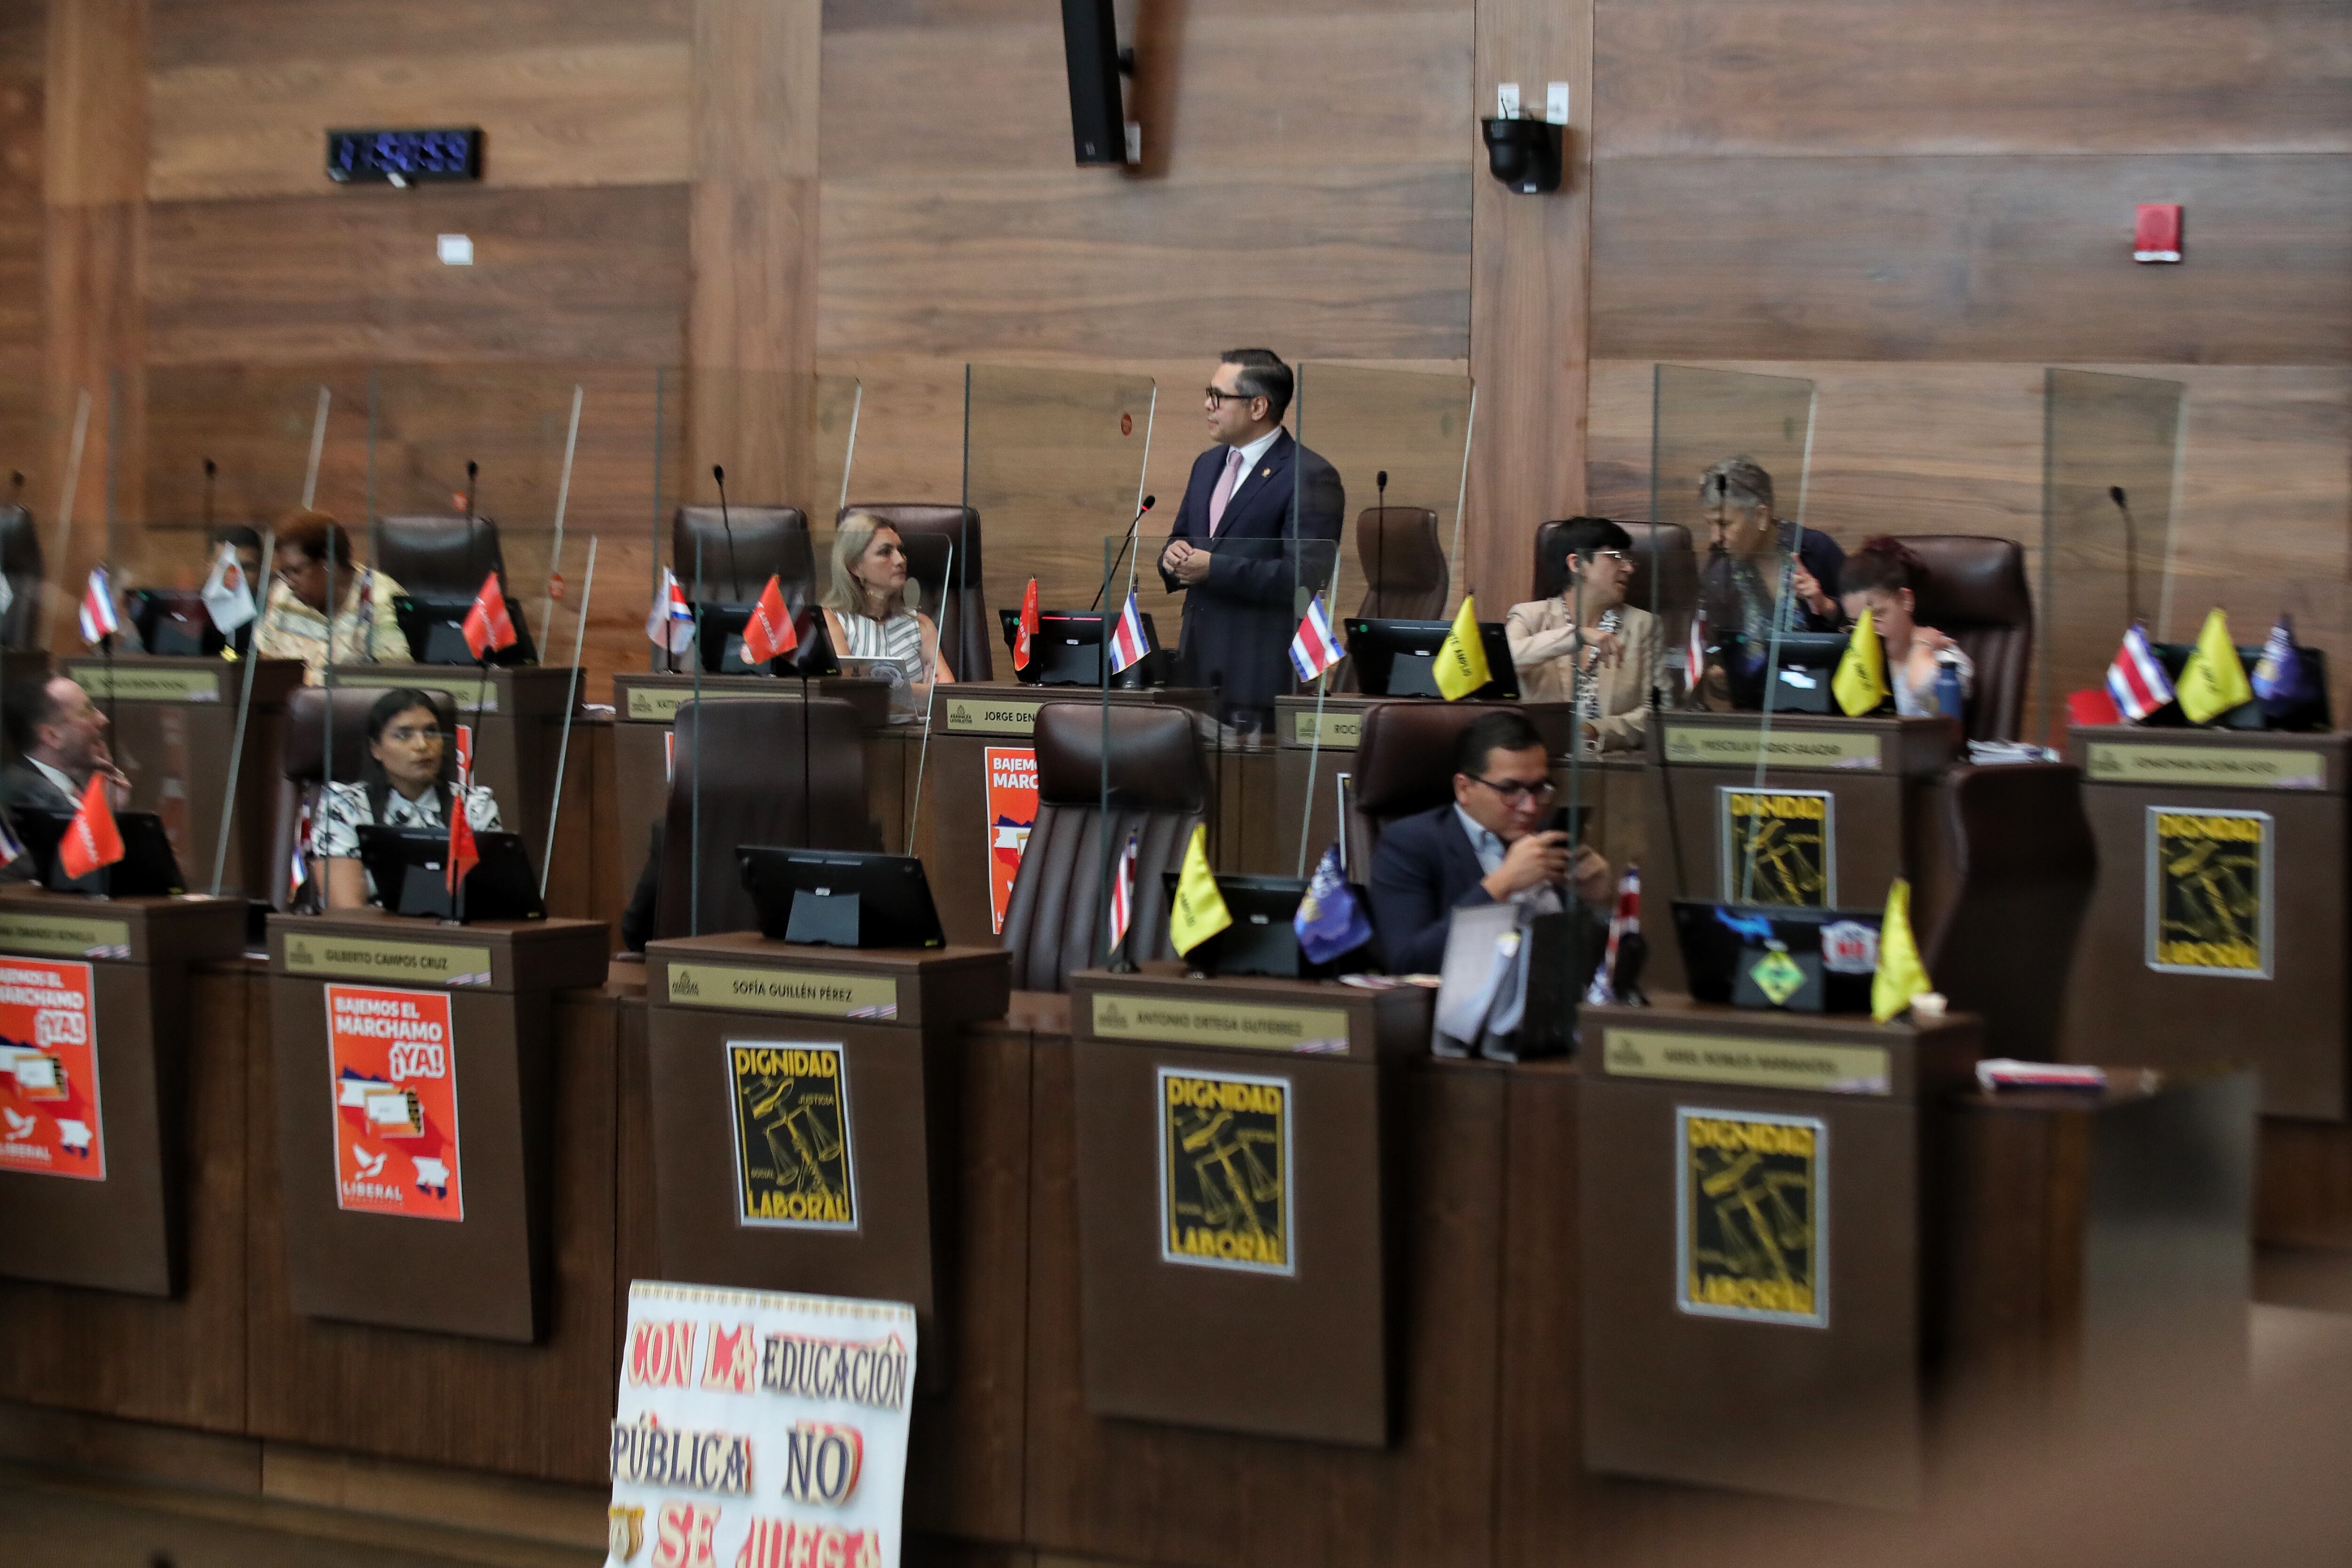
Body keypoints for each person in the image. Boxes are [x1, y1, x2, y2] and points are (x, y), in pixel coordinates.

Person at [1157, 349, 1345, 734]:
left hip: (1257, 677)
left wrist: (1214, 568)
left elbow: (1304, 577)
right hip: (1195, 674)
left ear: (1258, 406)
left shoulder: (1309, 474)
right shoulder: (1207, 464)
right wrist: (1171, 556)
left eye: (1218, 396)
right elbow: (1184, 536)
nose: (1207, 405)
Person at [1367, 709, 1614, 975]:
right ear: (1464, 788)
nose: (1530, 807)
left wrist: (1603, 904)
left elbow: (1601, 969)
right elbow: (1409, 963)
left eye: (1539, 788)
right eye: (1510, 790)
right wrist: (1501, 885)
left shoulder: (1548, 840)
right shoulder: (1410, 844)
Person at [314, 687, 501, 910]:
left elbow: (492, 901)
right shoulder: (346, 806)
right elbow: (345, 910)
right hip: (372, 940)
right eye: (404, 735)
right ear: (376, 749)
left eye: (431, 732)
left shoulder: (474, 805)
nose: (422, 746)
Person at [1506, 517, 1661, 753]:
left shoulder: (1644, 625)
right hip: (1540, 757)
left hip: (1614, 763)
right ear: (1577, 564)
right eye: (1615, 557)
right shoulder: (1529, 617)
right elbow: (1504, 663)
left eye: (1629, 560)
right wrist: (1576, 637)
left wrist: (1597, 730)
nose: (1629, 569)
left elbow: (1657, 712)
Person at [0, 674, 134, 885]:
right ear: (52, 737)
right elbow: (82, 876)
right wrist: (105, 814)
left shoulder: (69, 785)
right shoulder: (25, 793)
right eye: (87, 711)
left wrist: (105, 807)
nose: (102, 720)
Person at [252, 509, 408, 682]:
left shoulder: (378, 600)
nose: (289, 582)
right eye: (284, 573)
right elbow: (264, 672)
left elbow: (394, 683)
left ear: (328, 562)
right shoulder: (283, 597)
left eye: (296, 571)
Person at [820, 512, 954, 699]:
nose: (901, 560)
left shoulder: (921, 625)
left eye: (901, 550)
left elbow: (947, 697)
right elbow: (847, 695)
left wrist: (875, 690)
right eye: (885, 552)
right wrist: (923, 691)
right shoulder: (832, 621)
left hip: (916, 729)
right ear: (855, 567)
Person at [1837, 535, 1973, 718]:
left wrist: (1921, 648)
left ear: (1906, 600)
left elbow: (1932, 699)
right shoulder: (1852, 660)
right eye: (1856, 624)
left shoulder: (1947, 658)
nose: (1868, 632)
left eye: (1878, 615)